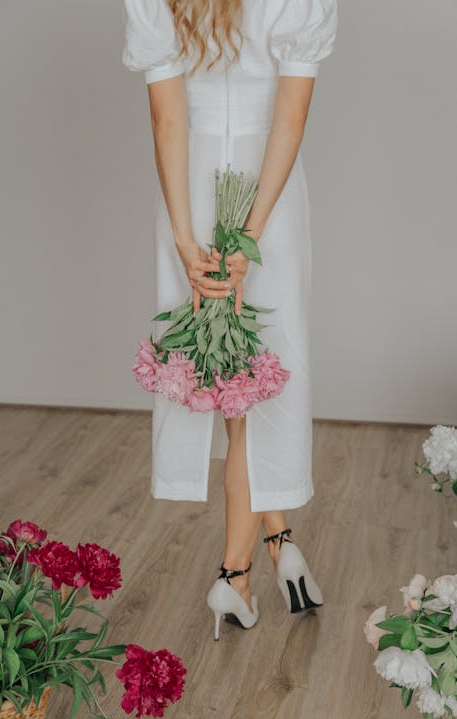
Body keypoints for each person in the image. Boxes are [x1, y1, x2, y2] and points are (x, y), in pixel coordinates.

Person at [122, 0, 338, 640]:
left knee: (229, 379)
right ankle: (249, 565)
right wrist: (248, 239)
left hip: (186, 189)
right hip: (267, 194)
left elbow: (167, 121)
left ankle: (257, 561)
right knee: (252, 378)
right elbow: (289, 120)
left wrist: (186, 242)